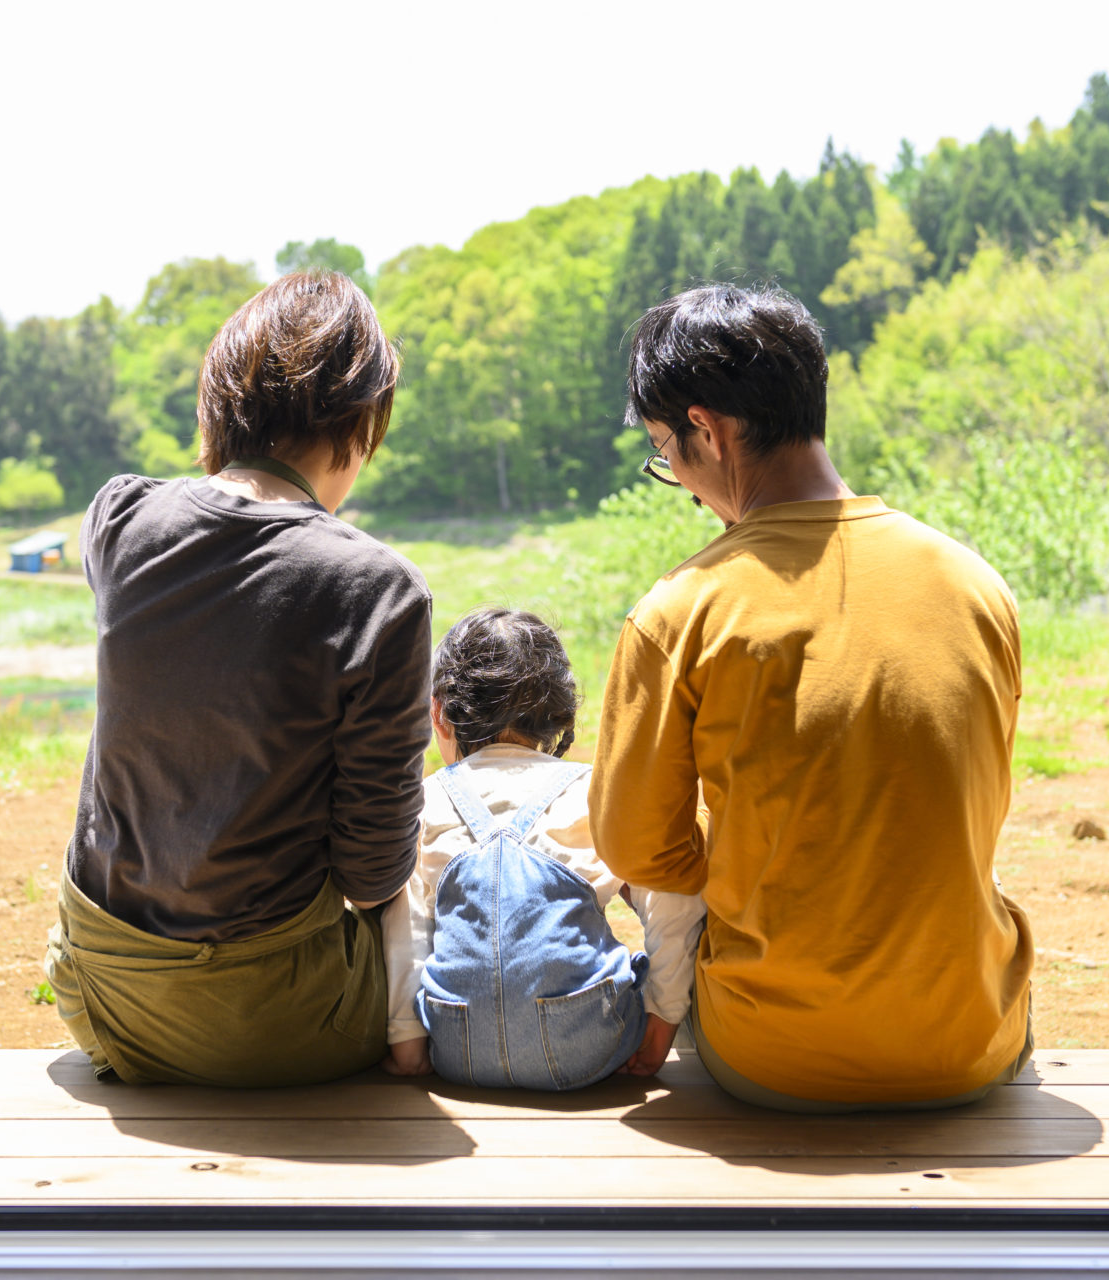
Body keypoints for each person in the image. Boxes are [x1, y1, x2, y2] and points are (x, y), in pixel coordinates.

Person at [590, 284, 1033, 1112]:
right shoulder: (976, 586)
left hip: (773, 1057)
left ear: (709, 432)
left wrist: (753, 877)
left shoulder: (680, 611)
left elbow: (636, 848)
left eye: (666, 450)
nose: (681, 482)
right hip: (970, 1042)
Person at [43, 271, 432, 1087]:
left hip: (99, 994)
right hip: (277, 1021)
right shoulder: (380, 590)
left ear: (219, 406)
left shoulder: (117, 520)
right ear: (360, 424)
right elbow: (373, 871)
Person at [379, 607, 706, 1088]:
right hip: (591, 1045)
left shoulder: (426, 801)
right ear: (562, 714)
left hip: (458, 1048)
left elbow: (405, 928)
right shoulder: (592, 795)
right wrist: (661, 1018)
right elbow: (672, 898)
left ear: (438, 714)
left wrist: (408, 1045)